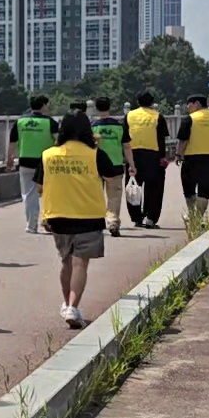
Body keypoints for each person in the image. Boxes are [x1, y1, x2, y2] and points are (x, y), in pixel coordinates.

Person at [38, 113, 123, 328]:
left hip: (57, 215)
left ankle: (67, 304)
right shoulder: (95, 154)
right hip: (88, 215)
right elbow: (111, 177)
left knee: (66, 261)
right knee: (80, 262)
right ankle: (72, 307)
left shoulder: (48, 155)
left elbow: (39, 186)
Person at [6, 95, 58, 234]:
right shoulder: (51, 122)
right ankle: (48, 221)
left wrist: (9, 158)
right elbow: (59, 141)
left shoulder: (20, 121)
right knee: (49, 193)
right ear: (43, 105)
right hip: (46, 162)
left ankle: (31, 225)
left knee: (29, 195)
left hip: (25, 161)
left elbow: (13, 142)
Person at [126, 91, 171, 228]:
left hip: (133, 155)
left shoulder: (129, 115)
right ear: (152, 102)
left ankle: (136, 218)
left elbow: (124, 139)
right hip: (153, 155)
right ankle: (151, 218)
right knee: (155, 188)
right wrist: (163, 157)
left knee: (133, 186)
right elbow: (161, 139)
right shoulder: (158, 117)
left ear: (138, 101)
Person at [177, 95, 209, 217]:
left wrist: (179, 154)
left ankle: (192, 214)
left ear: (197, 103)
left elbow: (183, 140)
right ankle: (198, 216)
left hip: (191, 158)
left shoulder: (189, 119)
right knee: (205, 191)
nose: (188, 107)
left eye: (189, 104)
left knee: (189, 189)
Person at [89, 98, 130, 237]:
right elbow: (126, 146)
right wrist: (132, 164)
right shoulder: (119, 126)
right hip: (115, 165)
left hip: (96, 166)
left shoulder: (92, 126)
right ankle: (113, 221)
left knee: (96, 195)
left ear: (96, 108)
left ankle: (96, 222)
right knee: (114, 196)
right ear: (109, 107)